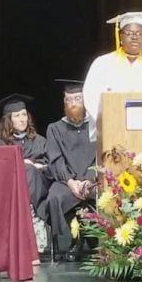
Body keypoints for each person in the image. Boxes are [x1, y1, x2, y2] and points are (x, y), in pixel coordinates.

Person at [83, 11, 142, 142]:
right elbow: (90, 97)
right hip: (113, 131)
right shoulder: (103, 63)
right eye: (129, 33)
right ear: (120, 36)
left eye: (139, 33)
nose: (135, 37)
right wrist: (107, 121)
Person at [37, 79, 96, 262]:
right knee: (55, 197)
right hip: (65, 182)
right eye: (68, 100)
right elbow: (55, 159)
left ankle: (95, 238)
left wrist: (88, 180)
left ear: (85, 101)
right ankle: (75, 238)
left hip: (93, 181)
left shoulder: (96, 127)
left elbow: (101, 157)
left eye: (77, 99)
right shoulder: (55, 128)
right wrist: (70, 182)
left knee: (108, 196)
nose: (72, 104)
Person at [0, 93, 50, 255]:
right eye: (17, 116)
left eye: (24, 114)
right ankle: (32, 223)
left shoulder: (39, 140)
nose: (22, 119)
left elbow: (50, 167)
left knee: (31, 171)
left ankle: (32, 217)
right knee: (26, 169)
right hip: (9, 189)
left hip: (38, 187)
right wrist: (21, 165)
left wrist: (38, 166)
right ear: (8, 119)